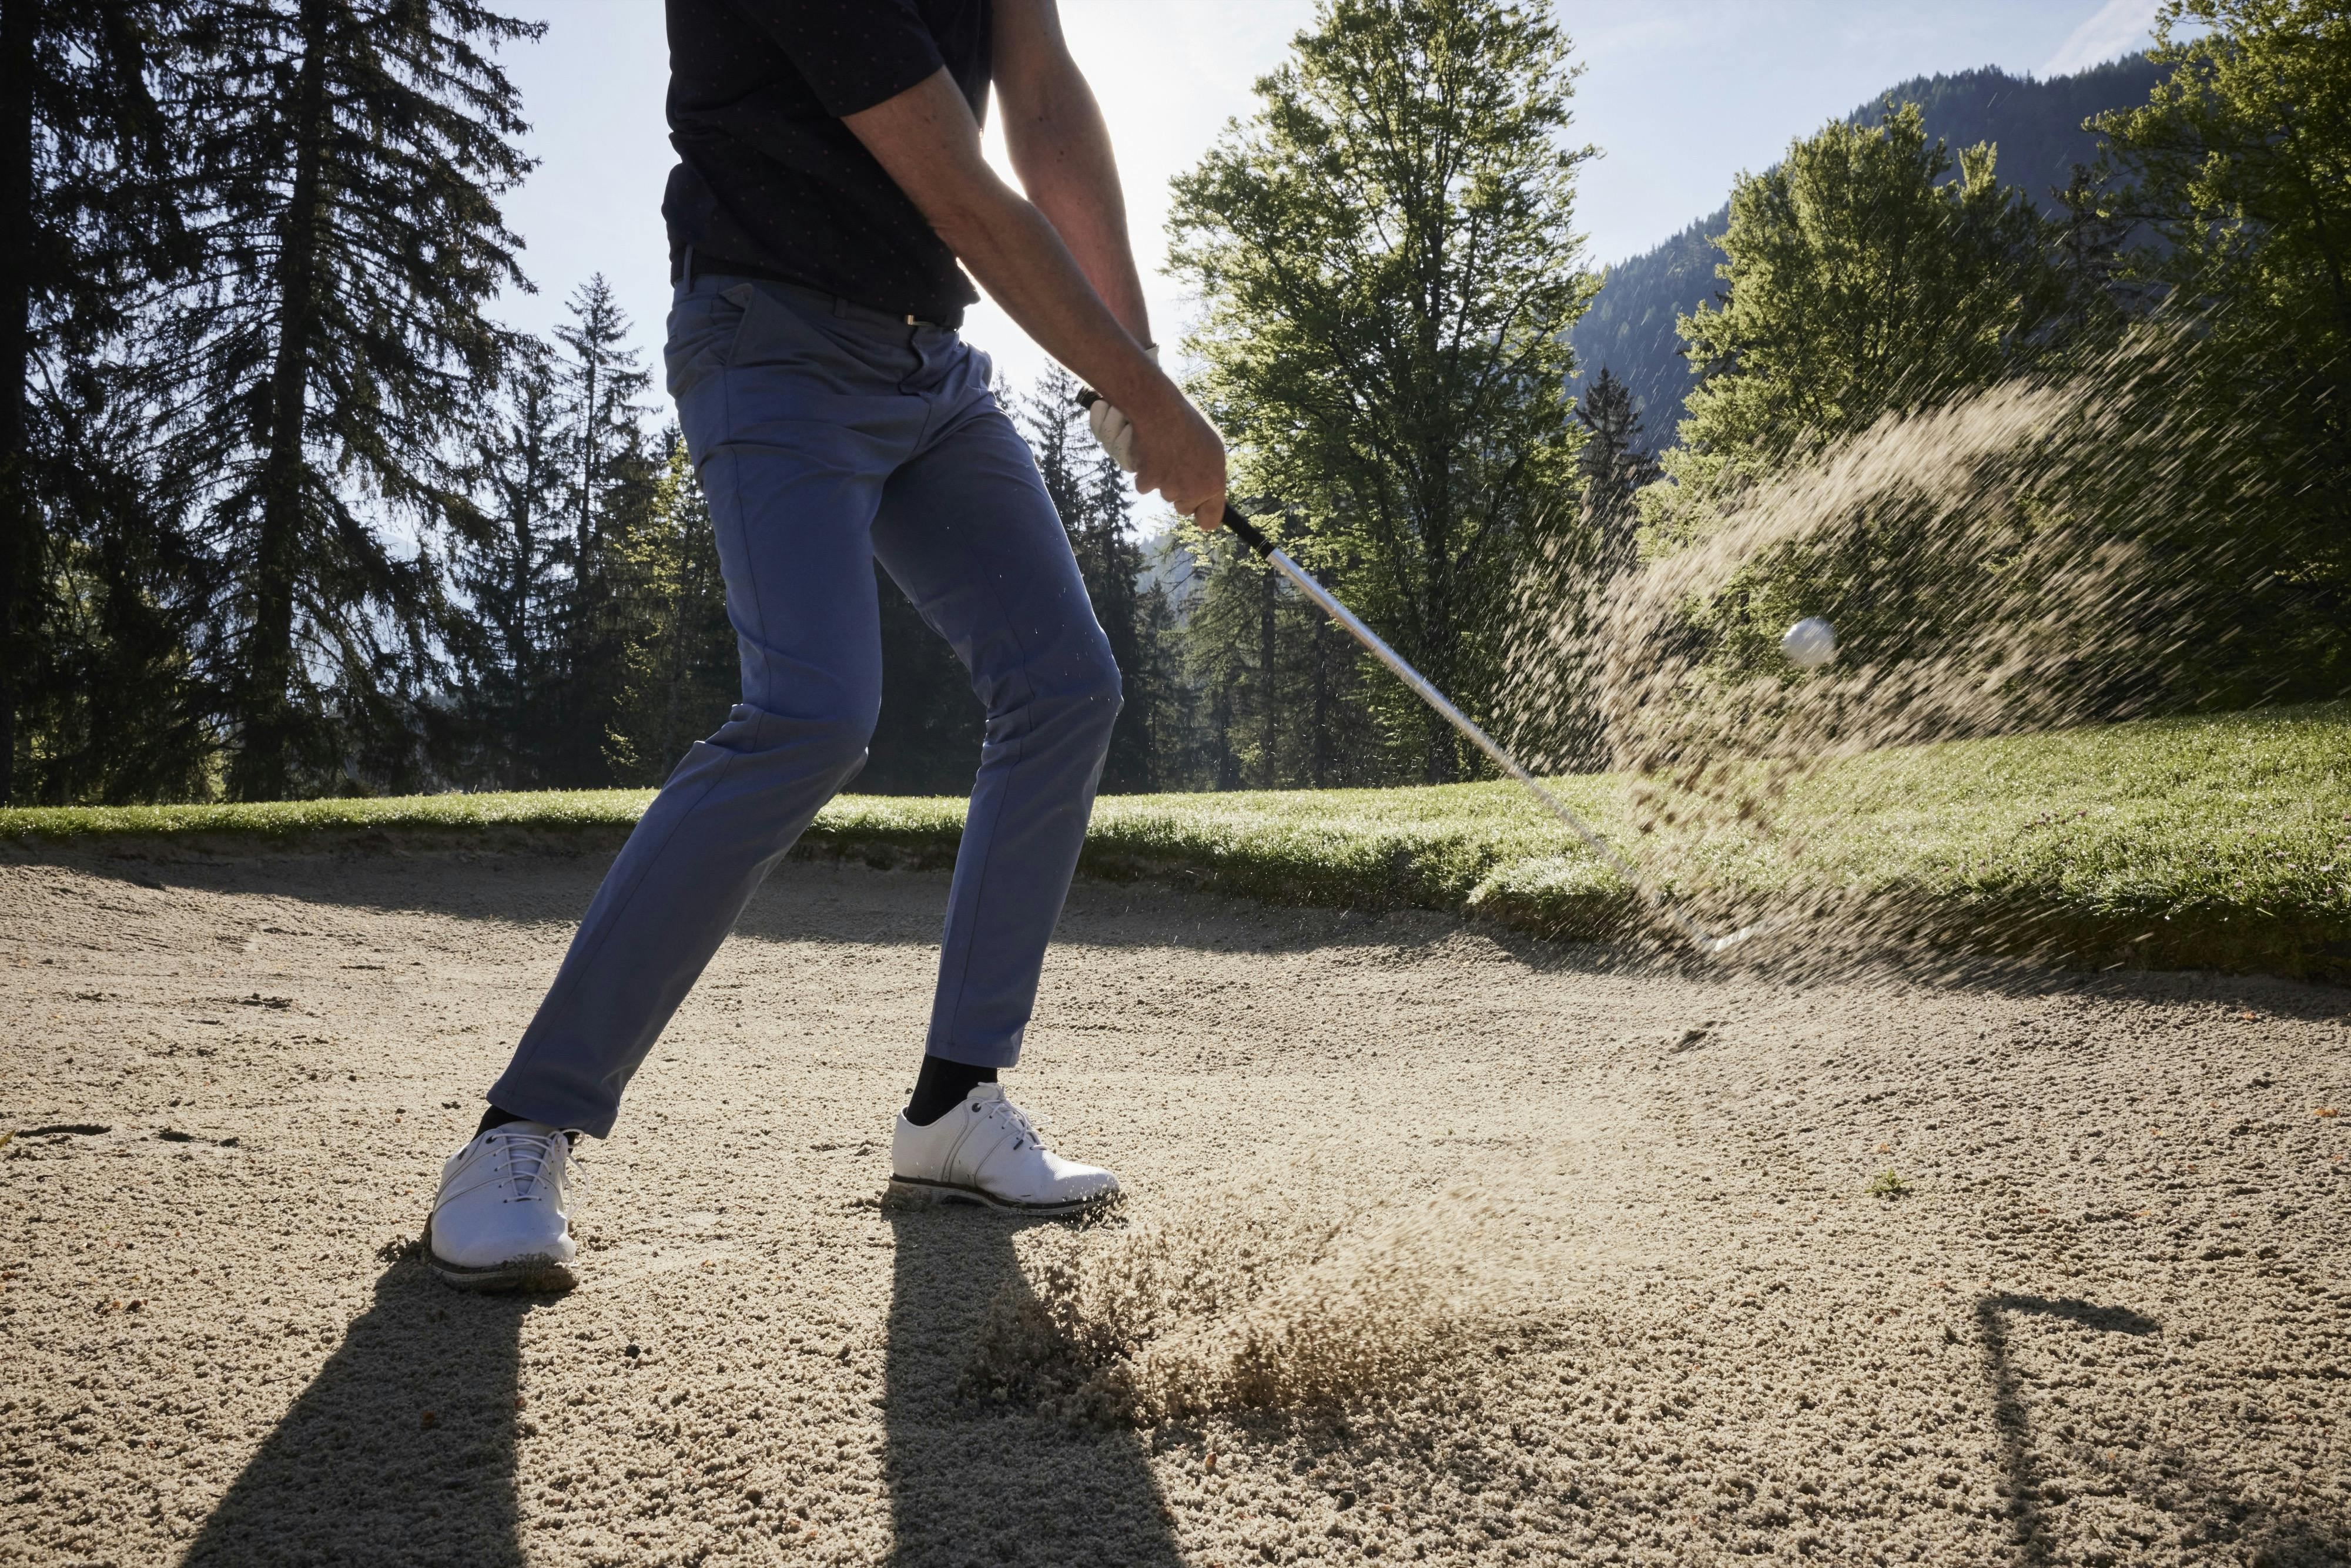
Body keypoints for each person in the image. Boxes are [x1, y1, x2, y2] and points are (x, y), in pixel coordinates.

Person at [426, 0, 1227, 1291]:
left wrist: (1127, 359)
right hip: (769, 338)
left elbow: (1042, 98)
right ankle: (519, 1132)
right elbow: (960, 191)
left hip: (930, 369)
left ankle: (955, 1104)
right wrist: (1149, 399)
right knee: (811, 709)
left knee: (1065, 683)